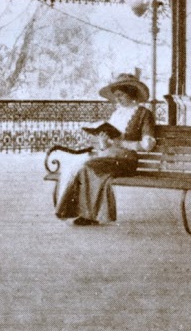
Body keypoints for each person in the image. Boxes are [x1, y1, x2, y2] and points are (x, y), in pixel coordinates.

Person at [55, 72, 156, 226]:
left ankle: (89, 215)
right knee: (80, 166)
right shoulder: (117, 114)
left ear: (130, 93)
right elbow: (109, 144)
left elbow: (148, 144)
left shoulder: (144, 114)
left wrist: (123, 141)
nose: (118, 99)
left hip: (127, 160)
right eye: (116, 96)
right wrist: (103, 141)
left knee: (89, 166)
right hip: (110, 156)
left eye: (121, 95)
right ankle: (80, 212)